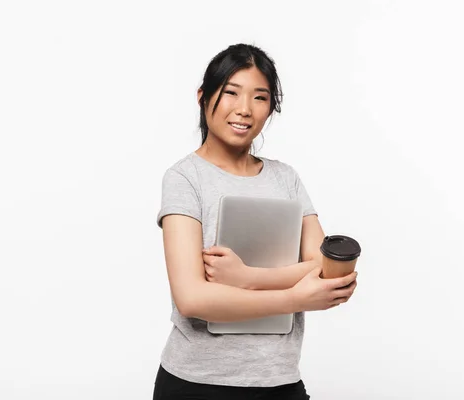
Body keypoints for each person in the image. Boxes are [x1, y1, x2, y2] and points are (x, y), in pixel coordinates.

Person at [153, 43, 358, 400]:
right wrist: (295, 296)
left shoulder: (285, 178)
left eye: (260, 97)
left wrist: (249, 278)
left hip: (279, 382)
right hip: (197, 384)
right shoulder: (185, 178)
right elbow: (192, 297)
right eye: (231, 92)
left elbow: (325, 267)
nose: (244, 109)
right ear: (203, 97)